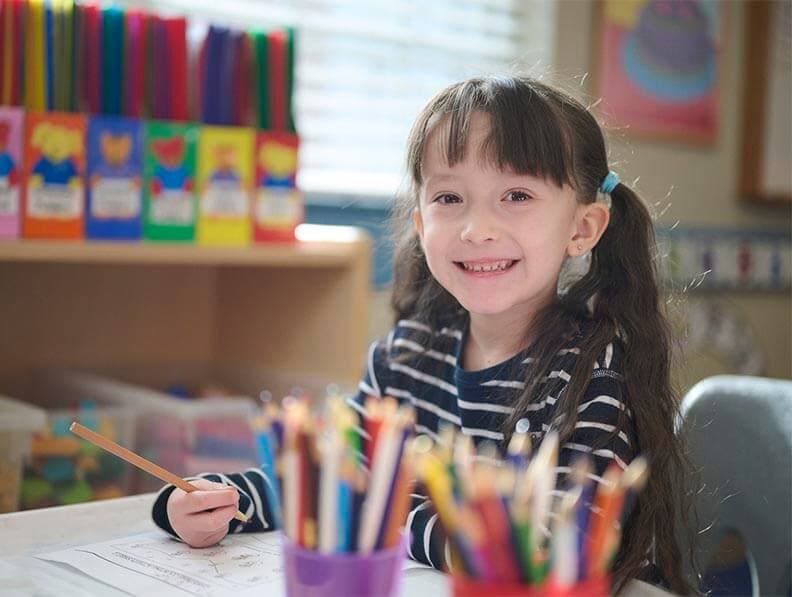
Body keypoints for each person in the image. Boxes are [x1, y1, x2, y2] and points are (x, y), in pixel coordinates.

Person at [151, 75, 693, 594]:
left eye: (518, 196)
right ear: (420, 223)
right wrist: (211, 501)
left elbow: (543, 555)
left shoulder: (591, 374)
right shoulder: (404, 356)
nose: (476, 228)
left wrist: (375, 509)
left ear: (582, 228)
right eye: (449, 199)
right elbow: (336, 480)